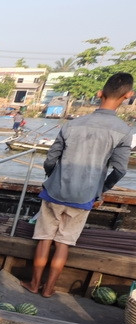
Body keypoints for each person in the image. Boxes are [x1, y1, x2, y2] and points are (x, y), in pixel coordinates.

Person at [21, 72, 134, 298]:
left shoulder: (72, 124)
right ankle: (49, 289)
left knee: (44, 239)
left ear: (99, 94)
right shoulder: (124, 131)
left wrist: (52, 177)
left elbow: (51, 159)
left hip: (54, 192)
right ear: (128, 96)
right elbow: (120, 170)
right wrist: (100, 190)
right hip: (84, 197)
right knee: (63, 243)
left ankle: (34, 284)